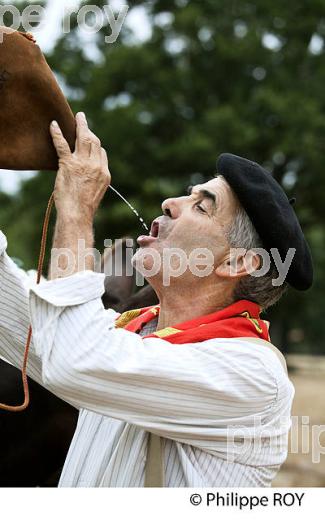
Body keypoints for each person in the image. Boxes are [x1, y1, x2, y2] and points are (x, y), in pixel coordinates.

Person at [0, 112, 313, 487]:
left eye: (201, 206)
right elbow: (27, 321)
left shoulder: (251, 376)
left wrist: (77, 207)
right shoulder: (132, 335)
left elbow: (72, 357)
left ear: (237, 262)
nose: (169, 202)